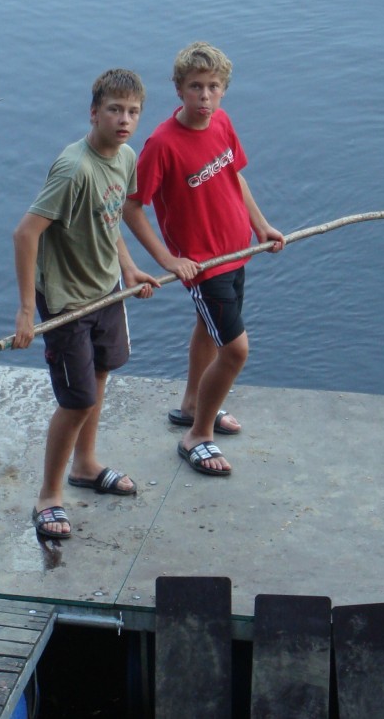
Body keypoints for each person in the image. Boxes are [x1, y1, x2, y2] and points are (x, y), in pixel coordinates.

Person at [123, 41, 284, 478]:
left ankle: (194, 403)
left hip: (236, 252)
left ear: (224, 89)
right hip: (204, 266)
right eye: (196, 86)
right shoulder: (162, 144)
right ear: (179, 90)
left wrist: (261, 225)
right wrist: (168, 259)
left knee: (207, 329)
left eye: (213, 86)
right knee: (235, 351)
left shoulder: (222, 123)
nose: (205, 96)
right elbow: (132, 207)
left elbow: (235, 177)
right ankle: (197, 435)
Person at [12, 69, 160, 539]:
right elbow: (25, 234)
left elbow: (109, 220)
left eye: (132, 112)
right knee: (76, 400)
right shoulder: (74, 168)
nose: (124, 120)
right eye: (114, 110)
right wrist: (26, 311)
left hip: (106, 289)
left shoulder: (127, 156)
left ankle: (86, 465)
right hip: (67, 300)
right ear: (94, 113)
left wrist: (129, 268)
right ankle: (48, 496)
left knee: (99, 375)